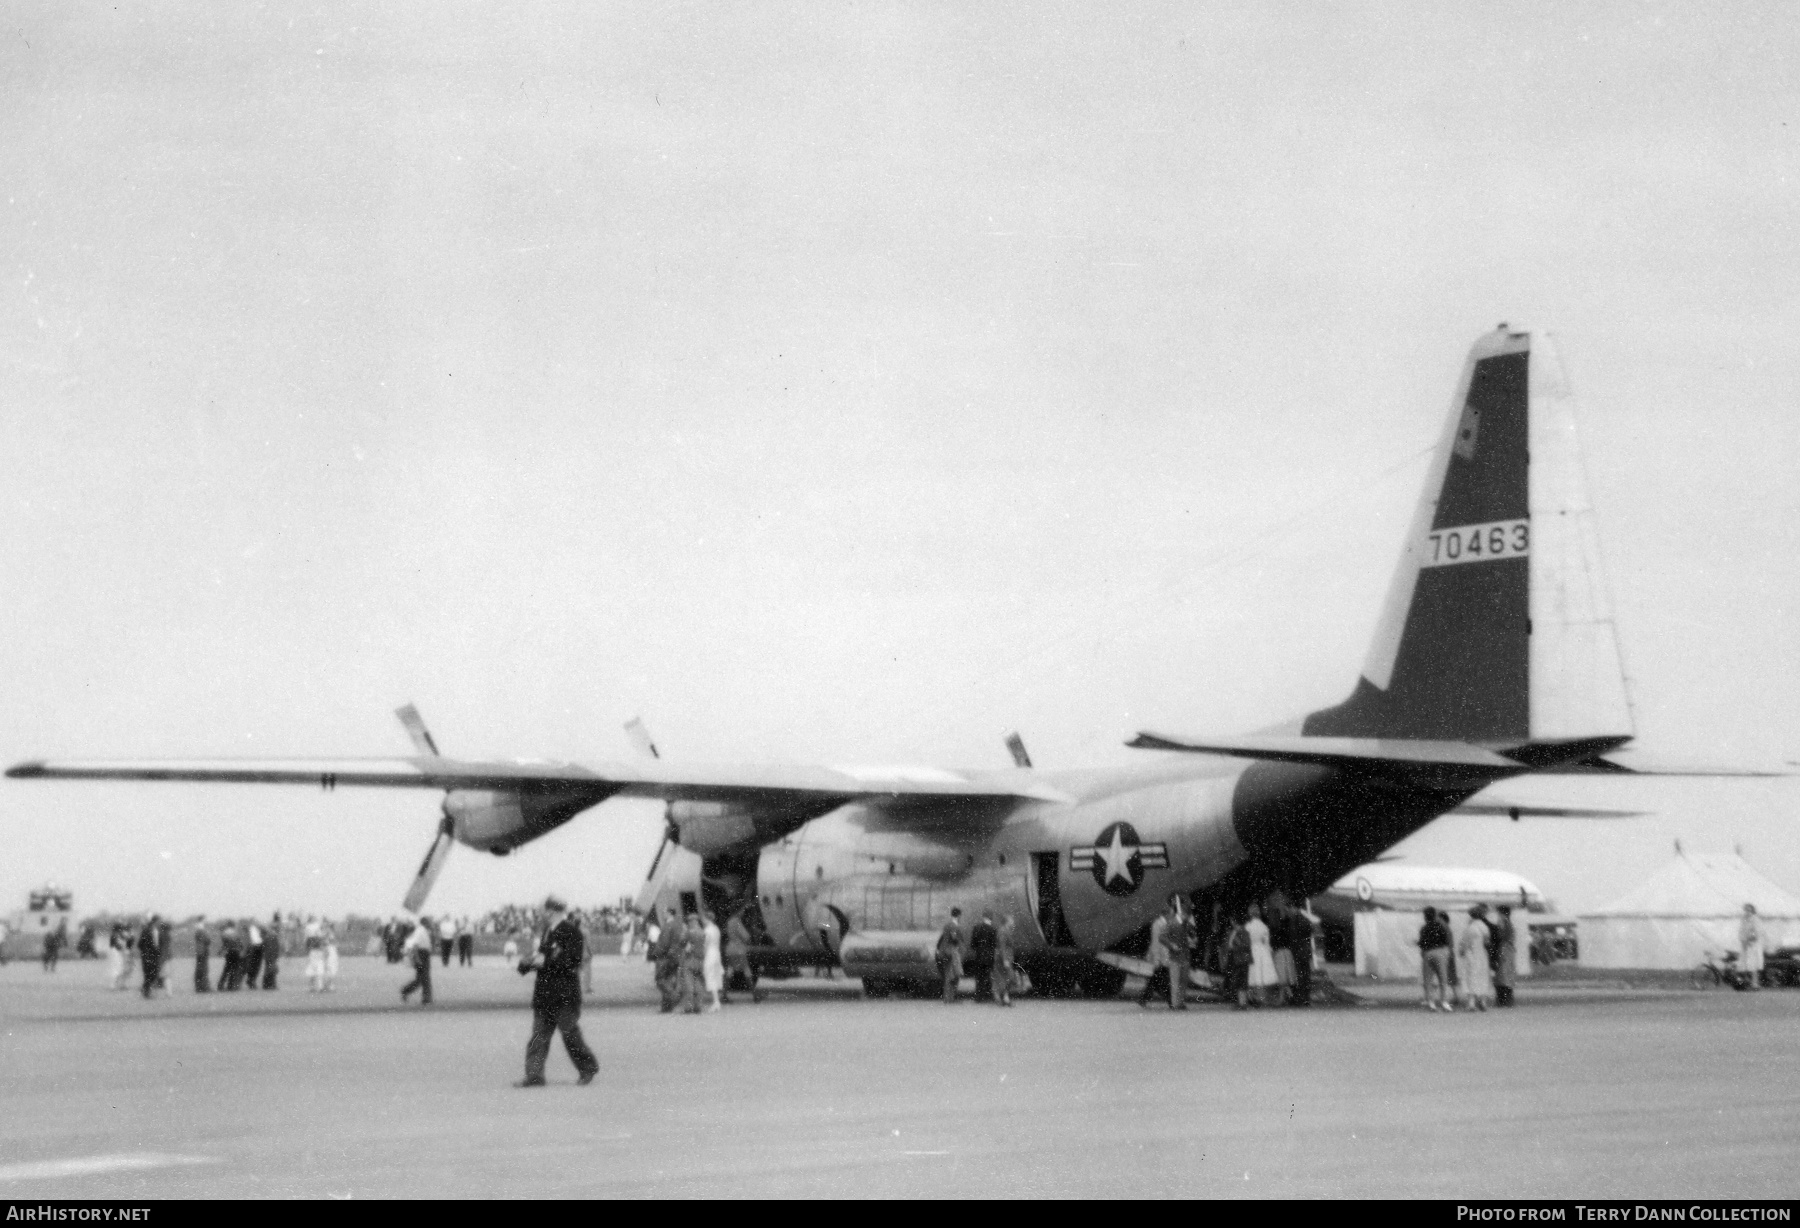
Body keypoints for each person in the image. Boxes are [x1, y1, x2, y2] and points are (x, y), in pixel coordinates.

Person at [516, 896, 599, 1087]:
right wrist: (527, 965)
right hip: (545, 993)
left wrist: (545, 962)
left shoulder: (572, 932)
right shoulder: (548, 931)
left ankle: (587, 1068)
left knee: (570, 1034)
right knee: (538, 1036)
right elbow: (544, 956)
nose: (540, 913)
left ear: (550, 911)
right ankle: (534, 1075)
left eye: (542, 910)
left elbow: (573, 962)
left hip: (564, 994)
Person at [1458, 905, 1493, 1011]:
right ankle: (1482, 1001)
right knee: (1482, 977)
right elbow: (1487, 942)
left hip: (1471, 955)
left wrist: (1461, 952)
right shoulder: (1485, 927)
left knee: (1470, 977)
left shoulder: (1470, 927)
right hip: (1482, 955)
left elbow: (1464, 943)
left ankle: (1471, 1003)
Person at [724, 908, 761, 1004]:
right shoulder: (737, 921)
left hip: (730, 949)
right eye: (742, 911)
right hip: (739, 950)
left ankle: (724, 995)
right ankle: (754, 995)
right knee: (747, 971)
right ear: (738, 911)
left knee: (729, 971)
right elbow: (746, 936)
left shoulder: (729, 921)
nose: (743, 912)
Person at [650, 906, 683, 1013]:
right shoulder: (678, 925)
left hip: (665, 957)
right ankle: (666, 1007)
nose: (663, 914)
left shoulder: (668, 926)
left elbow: (664, 942)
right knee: (669, 980)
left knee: (660, 980)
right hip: (675, 957)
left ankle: (674, 996)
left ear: (669, 913)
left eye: (665, 912)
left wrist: (656, 952)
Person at [1418, 907, 1452, 1011]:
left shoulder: (1423, 928)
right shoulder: (1440, 926)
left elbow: (1421, 943)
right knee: (1442, 979)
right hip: (1440, 952)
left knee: (1428, 979)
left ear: (1425, 916)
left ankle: (1431, 1002)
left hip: (1428, 953)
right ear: (1435, 915)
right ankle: (1444, 1002)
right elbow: (1446, 941)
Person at [1137, 907, 1171, 1008]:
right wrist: (1156, 959)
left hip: (1163, 957)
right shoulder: (1158, 924)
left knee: (1156, 979)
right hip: (1160, 957)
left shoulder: (1163, 923)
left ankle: (1144, 998)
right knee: (1161, 979)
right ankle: (1170, 1000)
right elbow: (1156, 943)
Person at [1245, 902, 1277, 1006]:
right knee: (1262, 975)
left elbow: (1246, 940)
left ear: (1250, 914)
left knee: (1252, 974)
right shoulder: (1264, 927)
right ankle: (1261, 998)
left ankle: (1251, 997)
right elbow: (1266, 942)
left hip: (1252, 949)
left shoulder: (1248, 926)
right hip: (1262, 950)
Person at [400, 917, 435, 1005]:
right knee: (425, 977)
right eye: (429, 922)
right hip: (421, 954)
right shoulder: (419, 931)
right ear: (425, 923)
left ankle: (406, 990)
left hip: (424, 954)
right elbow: (414, 945)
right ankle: (426, 998)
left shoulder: (424, 931)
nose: (430, 924)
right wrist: (417, 958)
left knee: (420, 978)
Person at [1287, 907, 1316, 1007]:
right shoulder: (1306, 920)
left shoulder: (1294, 920)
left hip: (1298, 950)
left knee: (1300, 975)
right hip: (1306, 950)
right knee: (1306, 975)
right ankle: (1306, 998)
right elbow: (1311, 931)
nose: (1289, 911)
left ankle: (1300, 998)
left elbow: (1293, 936)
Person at [967, 911, 998, 1003]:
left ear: (983, 917)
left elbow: (972, 944)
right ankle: (988, 995)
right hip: (989, 956)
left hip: (979, 956)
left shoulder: (976, 928)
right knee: (989, 976)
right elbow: (995, 944)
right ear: (991, 918)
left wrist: (978, 949)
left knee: (979, 977)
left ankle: (979, 997)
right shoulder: (993, 929)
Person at [936, 908, 965, 1004]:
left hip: (945, 951)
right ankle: (949, 998)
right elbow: (954, 938)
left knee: (950, 974)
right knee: (952, 975)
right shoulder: (954, 926)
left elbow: (942, 938)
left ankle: (948, 997)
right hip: (952, 952)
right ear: (959, 916)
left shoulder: (947, 925)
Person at [679, 913, 706, 1014]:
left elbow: (681, 942)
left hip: (690, 960)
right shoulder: (702, 932)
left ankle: (688, 1007)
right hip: (700, 960)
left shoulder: (689, 931)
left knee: (688, 983)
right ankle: (698, 1006)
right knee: (699, 983)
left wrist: (684, 930)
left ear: (691, 921)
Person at [1269, 903, 1295, 1004]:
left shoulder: (1278, 927)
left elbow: (1274, 941)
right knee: (1284, 976)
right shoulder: (1289, 924)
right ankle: (1287, 996)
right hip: (1286, 952)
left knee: (1281, 976)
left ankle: (1286, 997)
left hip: (1280, 952)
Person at [1225, 915, 1253, 1009]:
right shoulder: (1234, 932)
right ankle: (1240, 1002)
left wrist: (1235, 947)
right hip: (1235, 958)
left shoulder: (1244, 932)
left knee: (1242, 981)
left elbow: (1246, 945)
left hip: (1242, 959)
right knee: (1238, 981)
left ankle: (1243, 1003)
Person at [1491, 905, 1517, 1006]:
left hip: (1504, 949)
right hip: (1509, 950)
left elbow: (1501, 935)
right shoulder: (1509, 922)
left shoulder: (1503, 921)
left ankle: (1502, 999)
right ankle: (1507, 999)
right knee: (1507, 975)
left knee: (1502, 975)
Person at [701, 911, 725, 1012]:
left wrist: (702, 955)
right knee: (715, 976)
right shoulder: (716, 929)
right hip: (716, 953)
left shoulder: (706, 931)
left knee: (710, 976)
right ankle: (716, 1001)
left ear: (707, 919)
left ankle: (716, 1002)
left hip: (709, 954)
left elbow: (705, 945)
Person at [992, 915, 1017, 1006]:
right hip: (1002, 958)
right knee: (1008, 977)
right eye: (1012, 921)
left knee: (1005, 978)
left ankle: (1003, 998)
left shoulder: (1007, 931)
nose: (1013, 922)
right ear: (1007, 921)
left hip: (1006, 958)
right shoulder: (1003, 931)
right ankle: (999, 997)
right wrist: (1005, 959)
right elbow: (1002, 946)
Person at [137, 915, 162, 998]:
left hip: (153, 955)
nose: (160, 923)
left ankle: (145, 989)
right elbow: (140, 944)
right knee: (149, 974)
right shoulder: (147, 930)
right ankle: (146, 992)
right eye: (159, 921)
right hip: (148, 955)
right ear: (155, 921)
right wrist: (145, 951)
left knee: (153, 974)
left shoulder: (156, 930)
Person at [1740, 904, 1764, 990]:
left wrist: (1749, 939)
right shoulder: (1743, 919)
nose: (1747, 912)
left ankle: (1755, 984)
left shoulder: (1755, 920)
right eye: (1746, 910)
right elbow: (1741, 932)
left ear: (1752, 911)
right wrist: (1743, 941)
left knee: (1753, 966)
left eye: (1749, 910)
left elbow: (1757, 933)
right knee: (1745, 965)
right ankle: (1747, 983)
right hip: (1745, 945)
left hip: (1753, 945)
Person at [219, 920, 244, 991]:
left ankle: (220, 984)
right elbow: (240, 944)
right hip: (236, 952)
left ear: (228, 925)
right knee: (235, 969)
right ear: (233, 925)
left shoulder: (224, 933)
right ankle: (230, 985)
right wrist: (241, 950)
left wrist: (221, 951)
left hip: (228, 952)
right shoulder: (236, 933)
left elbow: (224, 944)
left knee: (226, 969)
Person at [304, 916, 327, 992]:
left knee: (313, 969)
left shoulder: (309, 936)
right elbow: (322, 943)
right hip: (317, 952)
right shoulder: (317, 935)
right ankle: (319, 987)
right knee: (318, 968)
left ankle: (313, 987)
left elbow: (307, 944)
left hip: (313, 952)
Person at [242, 918, 265, 990]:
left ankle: (251, 980)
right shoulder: (255, 928)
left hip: (255, 947)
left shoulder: (252, 929)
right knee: (255, 965)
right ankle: (251, 980)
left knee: (253, 965)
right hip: (257, 947)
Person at [107, 922, 131, 990]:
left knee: (118, 968)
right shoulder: (115, 935)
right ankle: (113, 985)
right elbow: (118, 945)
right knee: (116, 968)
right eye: (121, 928)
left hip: (115, 952)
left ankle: (116, 984)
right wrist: (124, 949)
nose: (122, 930)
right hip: (116, 952)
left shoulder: (117, 934)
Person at [260, 913, 281, 990]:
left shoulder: (269, 934)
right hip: (271, 954)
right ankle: (270, 984)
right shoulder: (273, 934)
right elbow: (276, 947)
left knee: (269, 969)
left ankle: (267, 984)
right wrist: (276, 954)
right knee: (272, 969)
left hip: (268, 954)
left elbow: (264, 945)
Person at [192, 917, 212, 993]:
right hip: (203, 951)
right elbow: (207, 940)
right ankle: (205, 987)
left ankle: (199, 987)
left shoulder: (197, 929)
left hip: (198, 951)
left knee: (199, 969)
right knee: (204, 969)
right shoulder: (202, 930)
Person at [322, 918, 340, 992]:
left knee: (331, 969)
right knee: (330, 968)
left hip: (331, 950)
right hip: (330, 950)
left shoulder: (328, 933)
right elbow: (328, 943)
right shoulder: (328, 934)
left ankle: (328, 985)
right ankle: (328, 986)